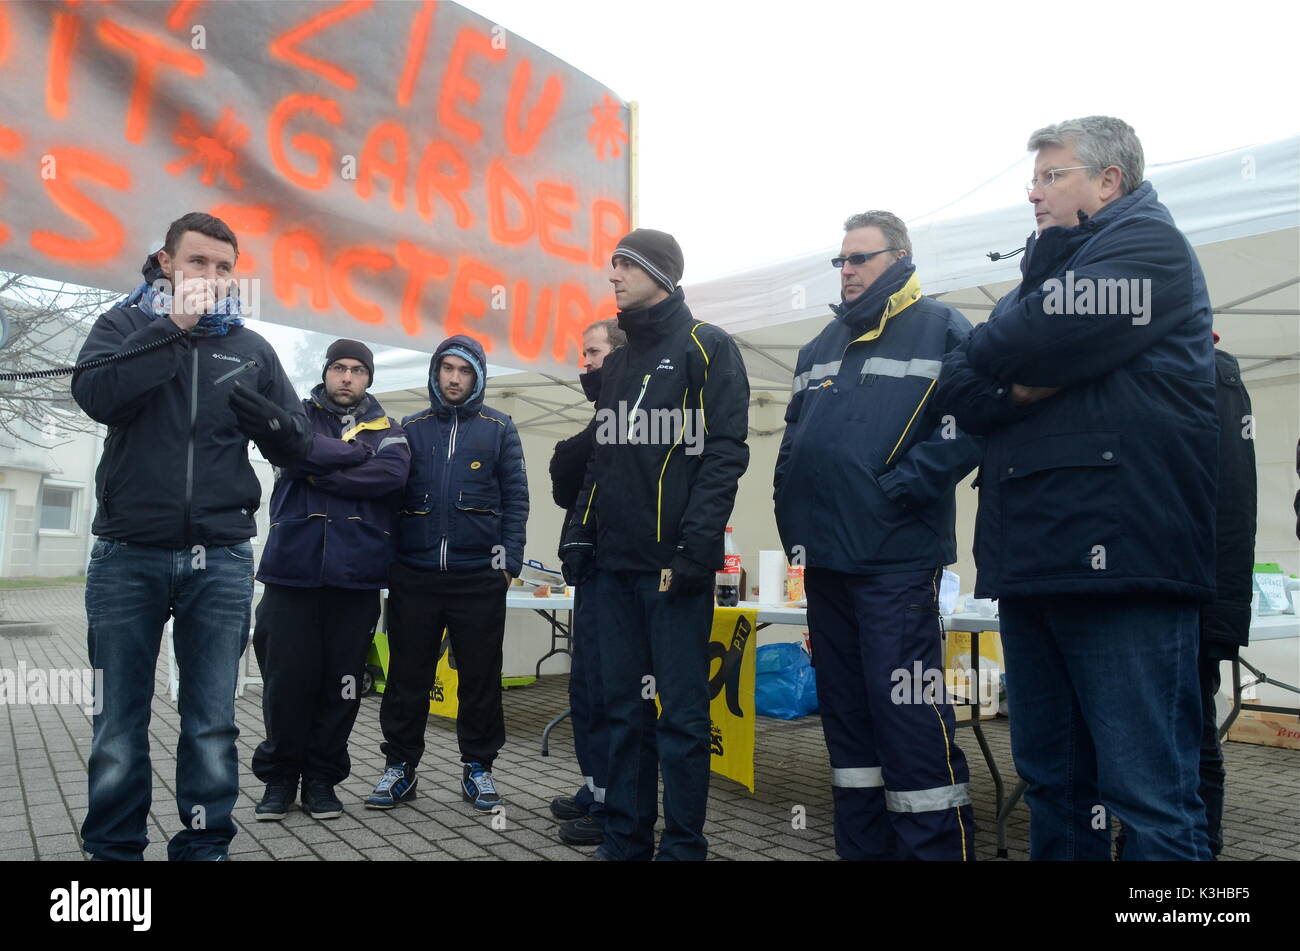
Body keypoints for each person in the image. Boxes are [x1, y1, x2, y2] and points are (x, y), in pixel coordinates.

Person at [935, 116, 1218, 860]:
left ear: (1107, 180)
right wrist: (1020, 382)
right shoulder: (1045, 273)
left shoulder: (1148, 246)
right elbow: (963, 380)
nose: (1033, 192)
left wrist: (1016, 354)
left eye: (1050, 175)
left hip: (1121, 563)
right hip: (1034, 563)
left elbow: (1011, 342)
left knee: (1148, 795)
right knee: (1053, 784)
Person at [72, 211, 311, 861]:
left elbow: (300, 444)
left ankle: (204, 847)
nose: (211, 276)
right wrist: (173, 325)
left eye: (224, 266)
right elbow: (97, 395)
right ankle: (115, 852)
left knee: (210, 722)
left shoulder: (252, 348)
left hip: (223, 556)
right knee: (117, 721)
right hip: (129, 552)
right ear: (166, 261)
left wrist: (281, 428)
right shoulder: (124, 324)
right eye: (198, 261)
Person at [773, 211, 980, 861]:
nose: (848, 270)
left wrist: (903, 487)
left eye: (859, 257)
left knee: (909, 724)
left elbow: (973, 423)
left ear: (899, 257)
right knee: (849, 729)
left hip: (896, 564)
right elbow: (793, 445)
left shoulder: (944, 329)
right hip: (828, 567)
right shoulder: (820, 347)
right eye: (841, 260)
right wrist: (792, 518)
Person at [560, 228, 750, 861]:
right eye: (610, 263)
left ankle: (684, 847)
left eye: (624, 265)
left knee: (682, 720)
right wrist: (580, 531)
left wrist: (696, 551)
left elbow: (724, 454)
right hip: (611, 568)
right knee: (623, 712)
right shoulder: (617, 363)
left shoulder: (708, 347)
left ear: (659, 273)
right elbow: (600, 462)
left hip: (673, 570)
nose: (611, 274)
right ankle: (624, 841)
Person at [366, 335, 528, 812]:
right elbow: (391, 500)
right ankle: (399, 766)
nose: (454, 378)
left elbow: (516, 501)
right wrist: (391, 562)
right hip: (413, 576)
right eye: (447, 369)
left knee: (479, 676)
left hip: (479, 577)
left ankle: (479, 767)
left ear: (477, 377)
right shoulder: (410, 428)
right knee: (406, 677)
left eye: (464, 371)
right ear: (435, 373)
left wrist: (507, 566)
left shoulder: (500, 429)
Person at [250, 339, 410, 821]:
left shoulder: (391, 430)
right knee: (285, 684)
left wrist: (323, 468)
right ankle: (280, 779)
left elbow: (390, 476)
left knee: (341, 686)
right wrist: (351, 455)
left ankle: (322, 780)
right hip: (290, 573)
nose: (346, 377)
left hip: (355, 578)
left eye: (357, 370)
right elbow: (289, 456)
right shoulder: (294, 414)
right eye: (338, 367)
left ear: (369, 378)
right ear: (326, 372)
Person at [547, 317, 633, 847]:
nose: (586, 364)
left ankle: (614, 805)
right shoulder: (601, 418)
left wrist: (569, 453)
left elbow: (587, 471)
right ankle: (595, 787)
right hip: (591, 572)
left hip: (618, 572)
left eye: (594, 354)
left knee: (609, 693)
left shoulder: (632, 419)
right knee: (585, 690)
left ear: (620, 358)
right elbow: (565, 488)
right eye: (583, 354)